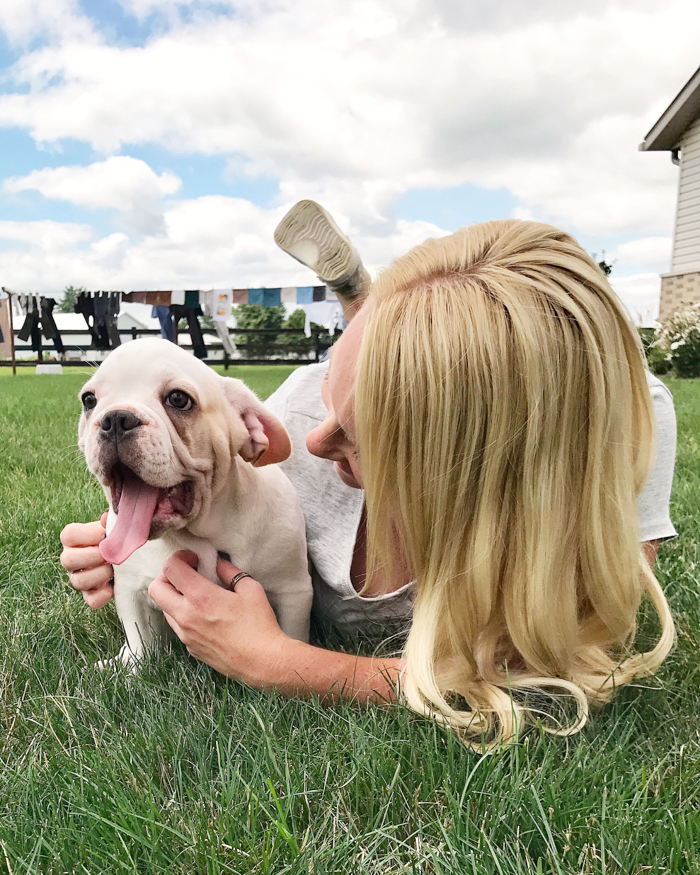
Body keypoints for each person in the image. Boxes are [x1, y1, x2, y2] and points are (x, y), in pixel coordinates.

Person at [61, 212, 677, 746]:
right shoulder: (297, 405)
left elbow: (566, 662)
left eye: (364, 434)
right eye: (334, 388)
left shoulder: (621, 431)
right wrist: (127, 535)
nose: (310, 442)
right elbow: (210, 476)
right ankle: (357, 292)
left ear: (478, 466)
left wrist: (284, 663)